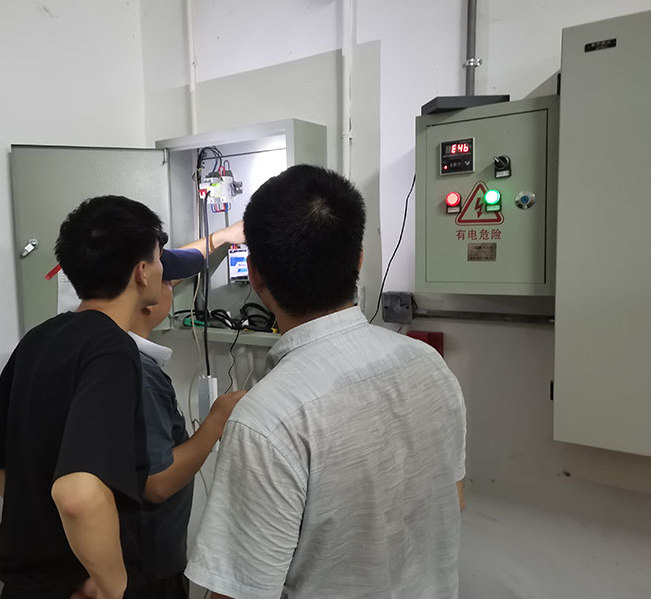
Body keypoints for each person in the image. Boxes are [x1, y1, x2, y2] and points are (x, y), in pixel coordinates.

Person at [185, 165, 468, 599]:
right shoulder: (428, 365)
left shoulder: (267, 420)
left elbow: (238, 592)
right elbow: (454, 499)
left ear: (255, 274)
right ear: (358, 260)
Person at [0, 195, 169, 599]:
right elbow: (78, 495)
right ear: (142, 272)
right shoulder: (112, 350)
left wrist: (47, 530)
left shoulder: (39, 338)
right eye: (159, 259)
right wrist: (113, 585)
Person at [128, 223, 247, 599]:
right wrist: (217, 419)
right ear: (144, 287)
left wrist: (221, 237)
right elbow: (158, 483)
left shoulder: (79, 342)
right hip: (145, 572)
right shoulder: (139, 375)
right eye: (167, 281)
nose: (173, 285)